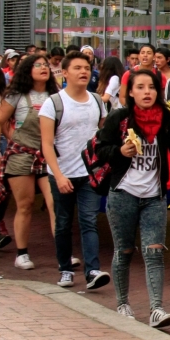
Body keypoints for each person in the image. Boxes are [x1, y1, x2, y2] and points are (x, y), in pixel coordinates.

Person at [96, 70, 170, 327]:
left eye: (152, 87)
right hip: (123, 195)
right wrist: (120, 150)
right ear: (130, 92)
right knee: (123, 251)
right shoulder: (119, 117)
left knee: (154, 253)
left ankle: (156, 309)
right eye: (141, 87)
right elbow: (101, 150)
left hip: (154, 197)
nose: (147, 92)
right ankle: (123, 303)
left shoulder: (166, 118)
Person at [39, 51, 111, 289]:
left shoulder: (97, 101)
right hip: (62, 174)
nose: (83, 72)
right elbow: (46, 144)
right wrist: (58, 175)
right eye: (78, 68)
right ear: (65, 72)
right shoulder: (53, 103)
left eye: (87, 68)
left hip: (89, 174)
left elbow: (103, 134)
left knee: (89, 220)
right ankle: (65, 269)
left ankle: (92, 271)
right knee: (63, 223)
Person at [0, 55, 59, 265]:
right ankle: (22, 253)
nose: (44, 68)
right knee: (25, 204)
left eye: (46, 65)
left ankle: (62, 253)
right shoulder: (16, 95)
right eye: (38, 65)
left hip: (48, 155)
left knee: (55, 202)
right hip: (20, 155)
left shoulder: (56, 96)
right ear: (28, 70)